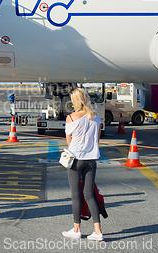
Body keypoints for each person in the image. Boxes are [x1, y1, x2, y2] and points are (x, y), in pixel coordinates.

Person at [62, 88, 103, 241]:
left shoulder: (71, 118)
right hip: (91, 160)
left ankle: (76, 229)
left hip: (75, 159)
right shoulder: (96, 117)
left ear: (75, 101)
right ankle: (97, 231)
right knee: (89, 195)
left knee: (75, 195)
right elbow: (97, 139)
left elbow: (69, 141)